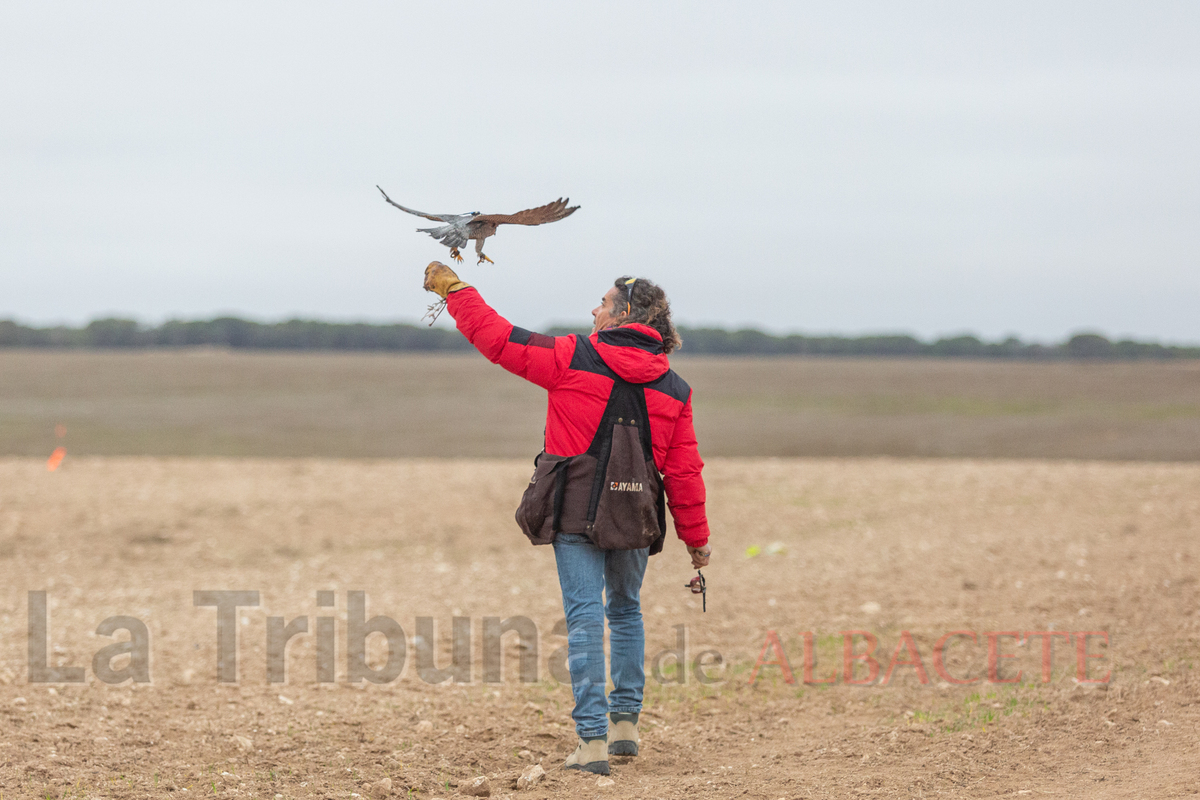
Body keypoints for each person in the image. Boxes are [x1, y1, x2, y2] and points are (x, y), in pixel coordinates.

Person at [422, 262, 712, 776]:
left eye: (601, 303)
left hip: (574, 512)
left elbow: (499, 339)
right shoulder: (675, 387)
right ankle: (625, 726)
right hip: (636, 514)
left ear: (622, 314)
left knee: (585, 618)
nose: (593, 310)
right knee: (625, 612)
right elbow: (684, 471)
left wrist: (458, 290)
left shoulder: (571, 356)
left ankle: (592, 741)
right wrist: (696, 540)